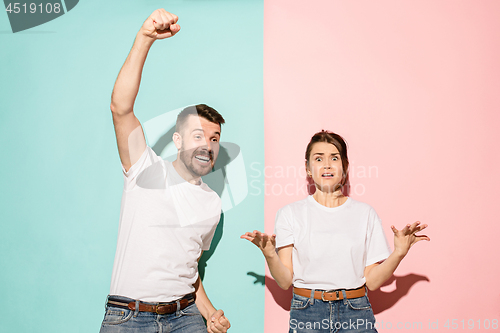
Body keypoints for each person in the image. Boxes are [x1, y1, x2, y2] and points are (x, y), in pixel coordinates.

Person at [100, 9, 230, 333]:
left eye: (214, 139)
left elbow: (189, 270)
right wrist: (145, 38)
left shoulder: (212, 204)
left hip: (186, 318)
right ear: (178, 140)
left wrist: (210, 313)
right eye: (198, 135)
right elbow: (121, 108)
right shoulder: (144, 167)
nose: (207, 145)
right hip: (128, 317)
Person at [241, 130, 429, 332]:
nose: (327, 165)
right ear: (308, 168)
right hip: (307, 312)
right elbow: (285, 281)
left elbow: (373, 282)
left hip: (356, 311)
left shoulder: (365, 213)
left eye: (334, 158)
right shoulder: (290, 214)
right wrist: (270, 254)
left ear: (345, 166)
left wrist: (399, 253)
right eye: (319, 158)